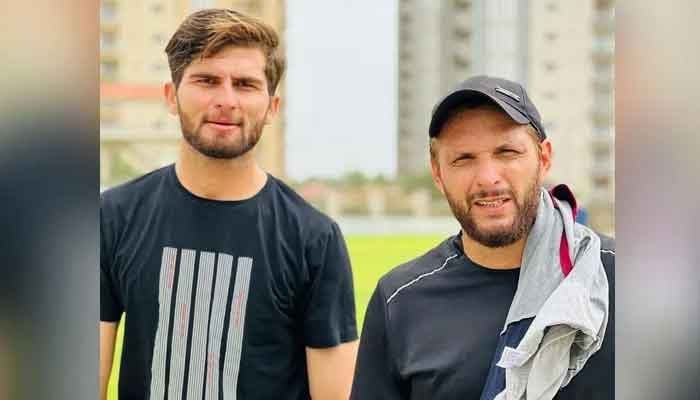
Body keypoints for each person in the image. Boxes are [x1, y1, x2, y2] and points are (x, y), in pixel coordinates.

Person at [100, 9, 358, 400]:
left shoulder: (314, 239)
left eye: (245, 84)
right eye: (207, 80)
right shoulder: (112, 218)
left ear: (272, 107)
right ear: (172, 96)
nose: (226, 100)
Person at [351, 76, 614, 399]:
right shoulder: (401, 301)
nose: (488, 178)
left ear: (543, 158)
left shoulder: (622, 279)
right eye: (464, 159)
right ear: (437, 172)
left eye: (506, 152)